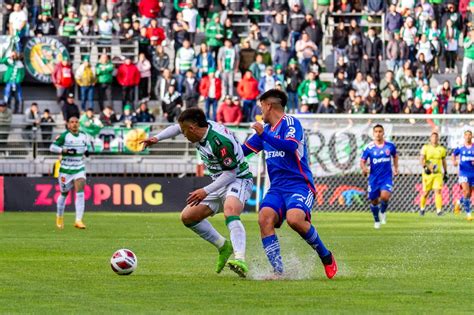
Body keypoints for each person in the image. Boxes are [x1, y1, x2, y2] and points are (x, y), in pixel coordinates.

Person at [141, 108, 253, 277]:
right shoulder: (197, 129)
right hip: (219, 181)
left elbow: (231, 173)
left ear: (192, 128)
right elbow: (177, 127)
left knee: (230, 209)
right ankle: (223, 246)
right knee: (188, 217)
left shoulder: (218, 142)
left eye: (185, 132)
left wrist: (205, 191)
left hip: (239, 178)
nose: (184, 135)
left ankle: (240, 259)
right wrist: (156, 138)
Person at [241, 89, 338, 279]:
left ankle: (326, 256)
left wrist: (264, 136)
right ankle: (278, 271)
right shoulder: (266, 130)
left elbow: (291, 145)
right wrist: (222, 150)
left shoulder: (291, 123)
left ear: (269, 105)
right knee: (264, 218)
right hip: (277, 188)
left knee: (295, 219)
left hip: (300, 185)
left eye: (261, 106)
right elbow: (243, 151)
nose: (260, 111)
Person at [49, 116, 89, 229]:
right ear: (68, 124)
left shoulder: (83, 135)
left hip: (79, 168)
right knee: (64, 194)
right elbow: (52, 147)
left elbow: (85, 147)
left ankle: (78, 220)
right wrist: (64, 150)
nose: (74, 124)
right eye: (72, 122)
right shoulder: (64, 136)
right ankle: (59, 217)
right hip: (65, 170)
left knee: (80, 191)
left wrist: (87, 152)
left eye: (76, 122)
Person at [360, 125, 399, 229]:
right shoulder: (369, 147)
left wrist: (396, 168)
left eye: (380, 131)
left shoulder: (390, 146)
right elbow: (362, 161)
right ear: (373, 134)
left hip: (386, 177)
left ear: (383, 133)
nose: (378, 133)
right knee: (374, 200)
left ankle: (383, 211)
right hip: (374, 178)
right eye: (376, 131)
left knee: (385, 196)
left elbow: (395, 156)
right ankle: (377, 220)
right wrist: (364, 168)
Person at [419, 132, 447, 216]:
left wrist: (446, 172)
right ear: (430, 138)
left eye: (436, 137)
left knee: (438, 191)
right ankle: (422, 208)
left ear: (438, 139)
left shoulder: (441, 149)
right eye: (433, 137)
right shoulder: (425, 148)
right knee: (425, 193)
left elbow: (444, 161)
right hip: (428, 174)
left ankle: (439, 211)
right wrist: (425, 167)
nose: (434, 139)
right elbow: (421, 159)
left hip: (438, 174)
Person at [453, 130, 474, 221]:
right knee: (466, 191)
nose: (468, 136)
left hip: (473, 173)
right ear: (464, 136)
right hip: (463, 173)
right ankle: (468, 214)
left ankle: (458, 202)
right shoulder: (460, 147)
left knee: (469, 194)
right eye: (466, 135)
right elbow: (454, 154)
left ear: (472, 137)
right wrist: (454, 161)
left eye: (470, 135)